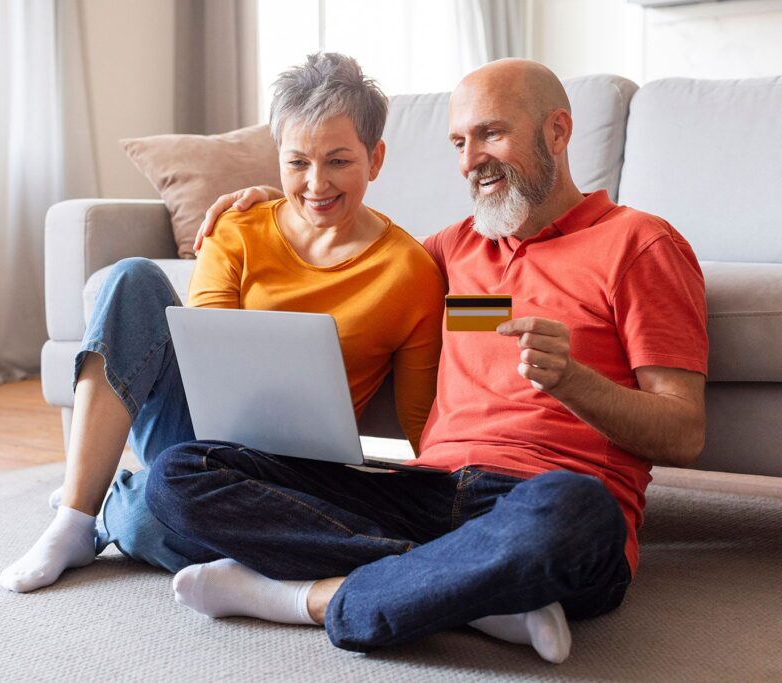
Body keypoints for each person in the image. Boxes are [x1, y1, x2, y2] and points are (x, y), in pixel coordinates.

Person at [144, 58, 708, 664]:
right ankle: (479, 593)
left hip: (541, 499)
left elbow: (683, 432)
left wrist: (572, 381)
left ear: (557, 132)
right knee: (180, 474)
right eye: (460, 142)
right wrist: (274, 210)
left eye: (492, 133)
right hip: (426, 494)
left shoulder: (639, 243)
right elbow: (353, 246)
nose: (471, 160)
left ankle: (305, 598)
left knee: (576, 510)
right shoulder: (447, 252)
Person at [0, 53, 446, 593]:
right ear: (277, 158)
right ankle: (74, 520)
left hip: (296, 474)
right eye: (298, 162)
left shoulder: (411, 272)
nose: (315, 184)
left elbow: (426, 427)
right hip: (197, 443)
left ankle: (119, 500)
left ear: (375, 159)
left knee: (143, 520)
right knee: (131, 277)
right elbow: (201, 363)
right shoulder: (239, 226)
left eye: (339, 161)